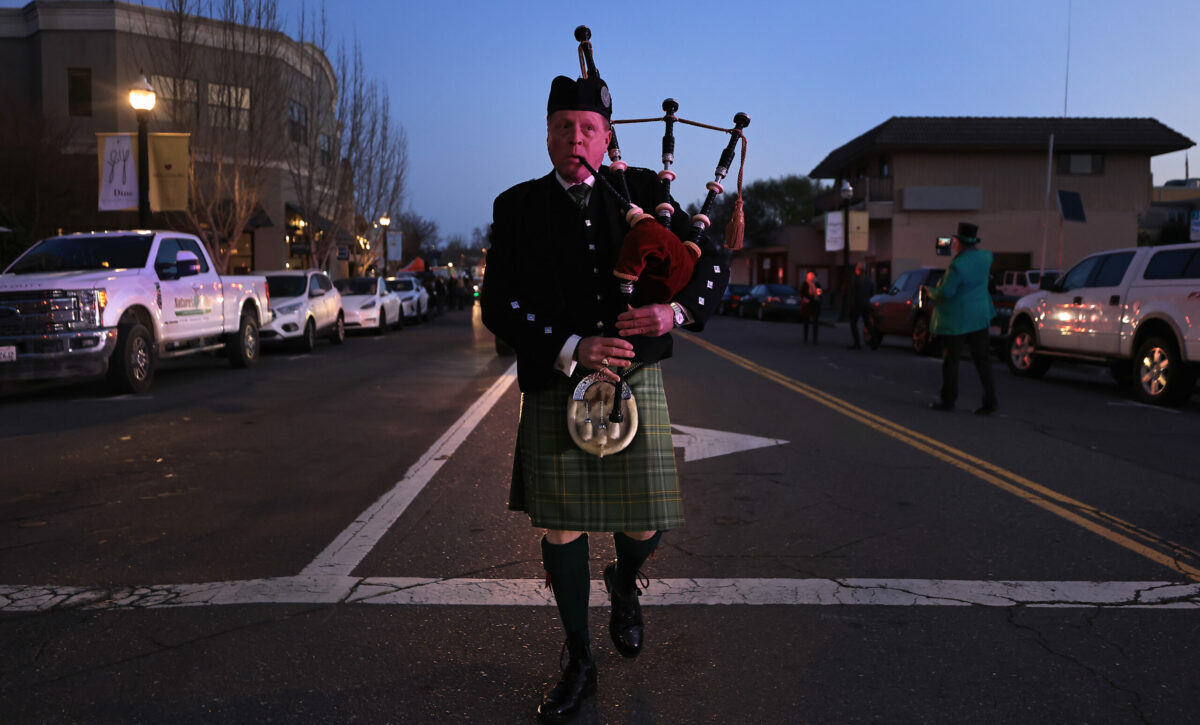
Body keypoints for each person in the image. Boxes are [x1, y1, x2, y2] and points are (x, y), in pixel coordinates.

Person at [481, 58, 727, 723]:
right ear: (548, 133)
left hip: (635, 377)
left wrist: (672, 313)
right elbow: (498, 302)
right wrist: (570, 346)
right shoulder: (517, 206)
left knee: (642, 523)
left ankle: (624, 580)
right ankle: (578, 658)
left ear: (606, 132)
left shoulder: (643, 189)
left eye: (588, 127)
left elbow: (711, 268)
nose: (575, 138)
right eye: (563, 126)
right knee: (561, 528)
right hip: (558, 381)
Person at [922, 222, 998, 415]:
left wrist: (930, 292)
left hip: (957, 320)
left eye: (955, 241)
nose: (954, 244)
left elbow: (946, 293)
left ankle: (948, 400)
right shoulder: (986, 258)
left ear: (960, 243)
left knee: (951, 360)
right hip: (980, 317)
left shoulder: (958, 266)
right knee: (983, 360)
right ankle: (990, 401)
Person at [847, 262, 877, 349]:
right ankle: (874, 341)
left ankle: (857, 343)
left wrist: (851, 305)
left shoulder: (854, 279)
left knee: (853, 324)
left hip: (856, 305)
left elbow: (853, 293)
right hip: (866, 304)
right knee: (867, 323)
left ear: (857, 269)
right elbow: (872, 292)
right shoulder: (869, 280)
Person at [800, 271, 823, 344]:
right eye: (810, 276)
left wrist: (818, 297)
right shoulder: (805, 284)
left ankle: (815, 339)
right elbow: (802, 294)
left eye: (813, 276)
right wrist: (805, 300)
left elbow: (819, 293)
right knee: (806, 322)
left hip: (815, 305)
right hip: (807, 306)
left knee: (815, 322)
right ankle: (805, 337)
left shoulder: (817, 284)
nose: (811, 278)